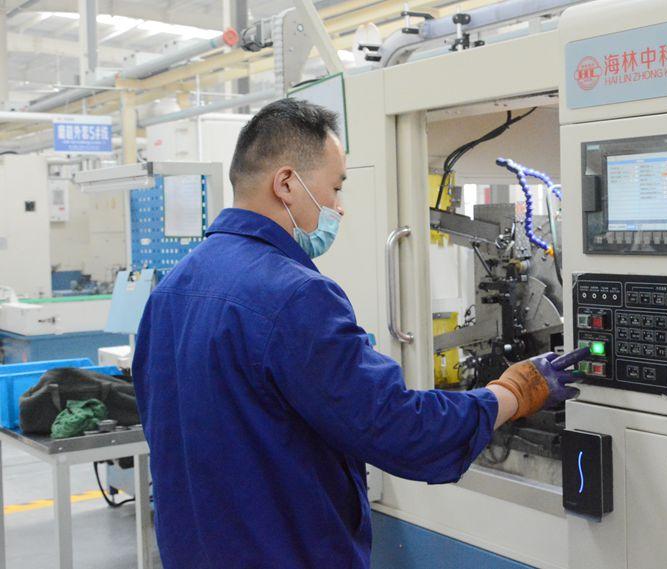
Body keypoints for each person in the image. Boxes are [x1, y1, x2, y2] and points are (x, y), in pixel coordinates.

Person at [132, 98, 582, 569]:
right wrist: (514, 392)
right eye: (335, 188)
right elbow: (398, 428)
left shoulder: (172, 289)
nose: (339, 208)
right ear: (286, 183)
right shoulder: (295, 295)